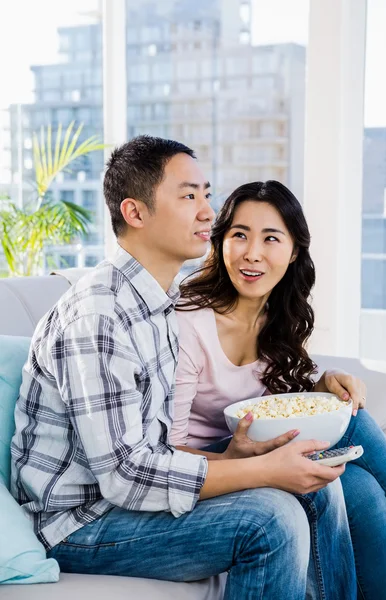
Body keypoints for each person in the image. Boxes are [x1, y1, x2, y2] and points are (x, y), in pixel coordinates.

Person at [11, 137, 356, 600]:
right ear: (135, 213)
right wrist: (265, 471)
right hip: (79, 525)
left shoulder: (159, 303)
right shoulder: (100, 316)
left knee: (320, 488)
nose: (208, 213)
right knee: (273, 519)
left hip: (122, 499)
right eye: (189, 195)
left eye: (206, 195)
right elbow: (126, 477)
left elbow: (157, 447)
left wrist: (232, 459)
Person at [171, 180, 386, 600]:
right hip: (207, 474)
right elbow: (163, 450)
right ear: (220, 243)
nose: (252, 253)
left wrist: (323, 385)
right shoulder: (189, 322)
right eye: (239, 235)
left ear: (293, 251)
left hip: (258, 455)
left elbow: (282, 402)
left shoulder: (279, 316)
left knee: (363, 490)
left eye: (270, 238)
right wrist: (232, 459)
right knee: (353, 421)